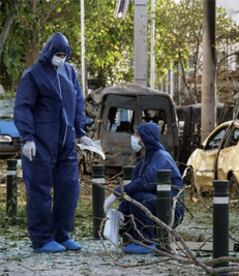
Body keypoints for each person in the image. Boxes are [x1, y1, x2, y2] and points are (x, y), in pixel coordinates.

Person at [14, 32, 95, 253]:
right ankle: (41, 239)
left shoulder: (69, 72)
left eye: (63, 54)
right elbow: (23, 107)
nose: (60, 57)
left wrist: (81, 131)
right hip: (41, 142)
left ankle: (62, 234)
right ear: (49, 51)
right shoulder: (33, 74)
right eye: (57, 53)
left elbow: (77, 103)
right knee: (40, 189)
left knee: (69, 187)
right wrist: (27, 137)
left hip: (66, 143)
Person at [104, 122, 185, 254]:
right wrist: (120, 212)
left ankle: (146, 241)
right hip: (157, 204)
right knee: (135, 198)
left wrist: (118, 192)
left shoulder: (161, 157)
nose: (134, 137)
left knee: (140, 198)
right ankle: (134, 238)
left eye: (138, 134)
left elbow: (146, 182)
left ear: (146, 138)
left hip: (171, 210)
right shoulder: (145, 159)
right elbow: (135, 186)